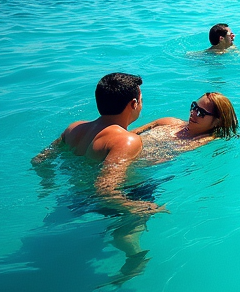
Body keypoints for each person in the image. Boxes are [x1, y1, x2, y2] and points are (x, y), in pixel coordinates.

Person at [31, 73, 159, 215]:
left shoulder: (74, 128)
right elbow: (104, 190)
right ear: (134, 104)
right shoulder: (126, 140)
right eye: (141, 100)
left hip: (73, 198)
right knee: (136, 221)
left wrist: (49, 182)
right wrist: (141, 208)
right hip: (104, 201)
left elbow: (39, 160)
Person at [133, 92, 239, 155]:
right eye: (194, 106)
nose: (193, 112)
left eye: (200, 112)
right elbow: (130, 133)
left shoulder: (200, 141)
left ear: (218, 121)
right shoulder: (168, 122)